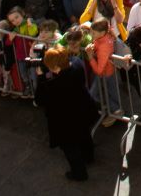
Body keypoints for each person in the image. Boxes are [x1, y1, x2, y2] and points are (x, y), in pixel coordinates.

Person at [34, 44, 100, 181]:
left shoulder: (53, 84)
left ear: (54, 67)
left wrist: (41, 78)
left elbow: (39, 99)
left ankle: (79, 173)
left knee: (70, 147)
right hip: (83, 110)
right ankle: (89, 157)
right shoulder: (77, 64)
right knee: (84, 135)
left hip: (65, 121)